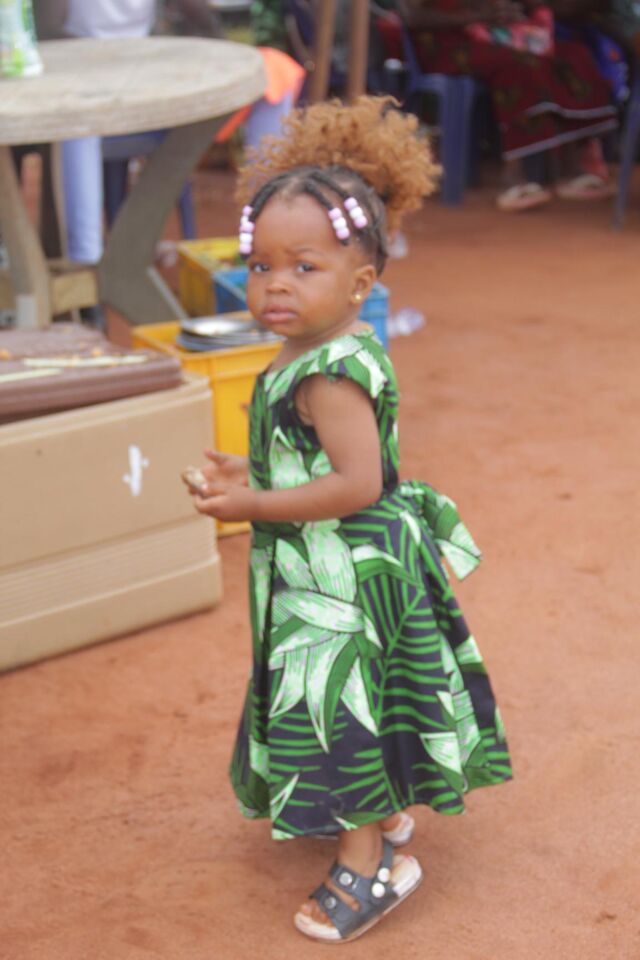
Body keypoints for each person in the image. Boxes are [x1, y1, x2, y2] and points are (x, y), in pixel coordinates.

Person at [184, 96, 513, 943]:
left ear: (361, 285)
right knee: (366, 702)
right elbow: (318, 461)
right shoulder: (309, 351)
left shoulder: (328, 372)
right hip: (334, 569)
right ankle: (387, 813)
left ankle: (371, 866)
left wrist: (252, 504)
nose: (275, 284)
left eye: (304, 267)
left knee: (338, 715)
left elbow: (359, 482)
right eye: (261, 265)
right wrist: (251, 469)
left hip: (342, 582)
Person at [396, 0, 618, 210]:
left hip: (493, 36)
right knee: (520, 64)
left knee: (574, 56)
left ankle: (572, 168)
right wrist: (476, 16)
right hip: (446, 47)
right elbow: (411, 16)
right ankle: (515, 176)